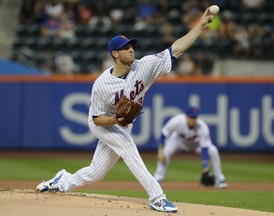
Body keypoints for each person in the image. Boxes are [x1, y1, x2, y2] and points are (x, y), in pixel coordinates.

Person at [35, 6, 215, 213]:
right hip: (104, 123)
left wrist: (199, 26)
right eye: (125, 47)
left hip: (122, 124)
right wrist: (117, 120)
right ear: (115, 54)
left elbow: (176, 49)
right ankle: (157, 197)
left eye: (131, 45)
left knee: (96, 173)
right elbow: (96, 119)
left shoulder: (144, 66)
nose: (131, 49)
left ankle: (62, 181)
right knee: (128, 147)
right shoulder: (102, 84)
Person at [154, 106, 228, 188]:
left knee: (213, 151)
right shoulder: (177, 121)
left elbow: (204, 148)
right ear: (186, 116)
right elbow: (163, 134)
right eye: (191, 117)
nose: (193, 119)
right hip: (178, 141)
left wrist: (205, 168)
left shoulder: (202, 127)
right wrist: (160, 149)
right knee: (165, 153)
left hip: (196, 144)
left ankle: (219, 179)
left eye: (195, 117)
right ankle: (157, 180)